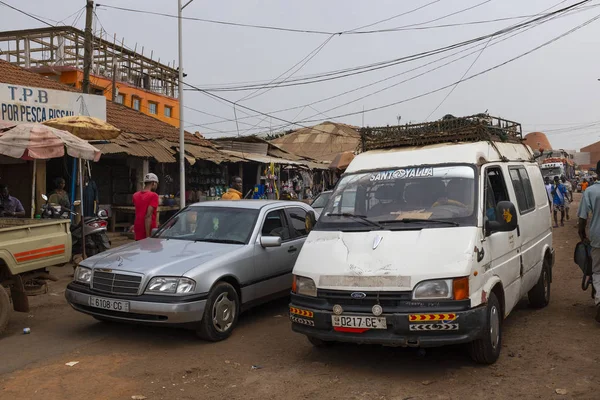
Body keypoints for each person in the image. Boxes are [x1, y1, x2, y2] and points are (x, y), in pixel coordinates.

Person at [578, 160, 600, 323]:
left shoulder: (591, 191)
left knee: (598, 271)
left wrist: (582, 236)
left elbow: (582, 218)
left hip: (597, 237)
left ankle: (599, 301)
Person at [133, 173, 159, 241]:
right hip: (148, 230)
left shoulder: (135, 195)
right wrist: (148, 236)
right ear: (153, 183)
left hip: (137, 228)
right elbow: (148, 216)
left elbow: (139, 212)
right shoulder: (154, 196)